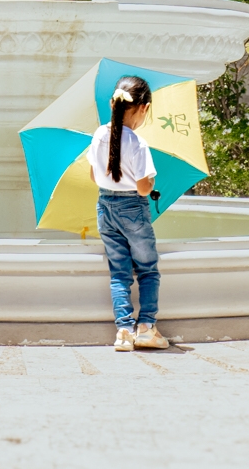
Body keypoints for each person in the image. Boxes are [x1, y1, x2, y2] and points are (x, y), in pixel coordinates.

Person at [87, 74, 169, 353]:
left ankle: (123, 331)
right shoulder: (138, 144)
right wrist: (152, 182)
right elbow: (144, 189)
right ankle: (146, 328)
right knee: (147, 270)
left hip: (104, 208)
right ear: (144, 108)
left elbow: (92, 175)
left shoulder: (99, 134)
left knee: (119, 273)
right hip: (132, 208)